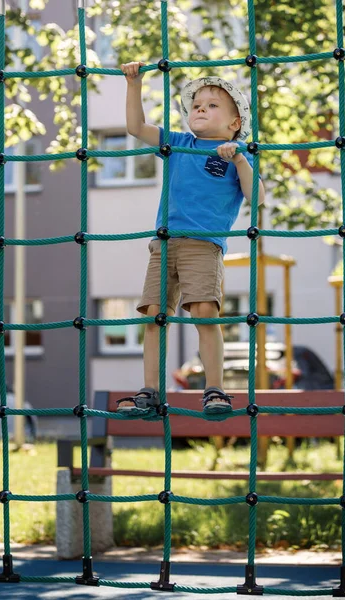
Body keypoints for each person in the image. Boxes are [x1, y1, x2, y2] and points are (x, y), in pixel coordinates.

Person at [116, 62, 265, 415]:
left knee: (203, 311)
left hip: (203, 245)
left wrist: (239, 159)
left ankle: (215, 389)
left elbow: (256, 198)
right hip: (163, 243)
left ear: (234, 124)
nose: (200, 108)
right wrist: (133, 84)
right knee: (153, 314)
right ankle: (149, 392)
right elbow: (136, 128)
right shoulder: (179, 143)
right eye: (196, 105)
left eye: (212, 105)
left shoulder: (236, 154)